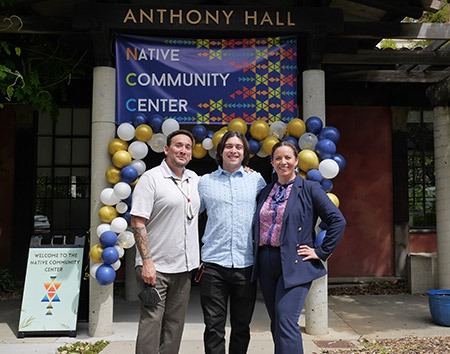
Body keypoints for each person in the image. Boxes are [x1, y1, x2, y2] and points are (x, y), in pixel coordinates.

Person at [252, 141, 346, 354]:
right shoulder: (266, 191)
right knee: (277, 321)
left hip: (295, 264)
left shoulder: (309, 188)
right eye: (278, 158)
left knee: (286, 319)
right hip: (267, 265)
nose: (283, 162)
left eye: (287, 158)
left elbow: (337, 220)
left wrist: (321, 251)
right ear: (272, 162)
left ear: (296, 162)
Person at [130, 130, 200, 354]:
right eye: (178, 146)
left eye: (187, 147)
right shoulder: (151, 179)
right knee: (151, 324)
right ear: (166, 149)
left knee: (174, 326)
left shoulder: (195, 180)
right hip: (156, 267)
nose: (183, 150)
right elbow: (137, 222)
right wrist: (147, 262)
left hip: (184, 267)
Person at [198, 130, 266, 354]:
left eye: (238, 147)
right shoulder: (205, 182)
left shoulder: (256, 180)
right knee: (213, 328)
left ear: (245, 152)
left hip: (246, 265)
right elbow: (188, 216)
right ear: (220, 151)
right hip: (213, 266)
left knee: (241, 327)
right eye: (229, 146)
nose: (233, 150)